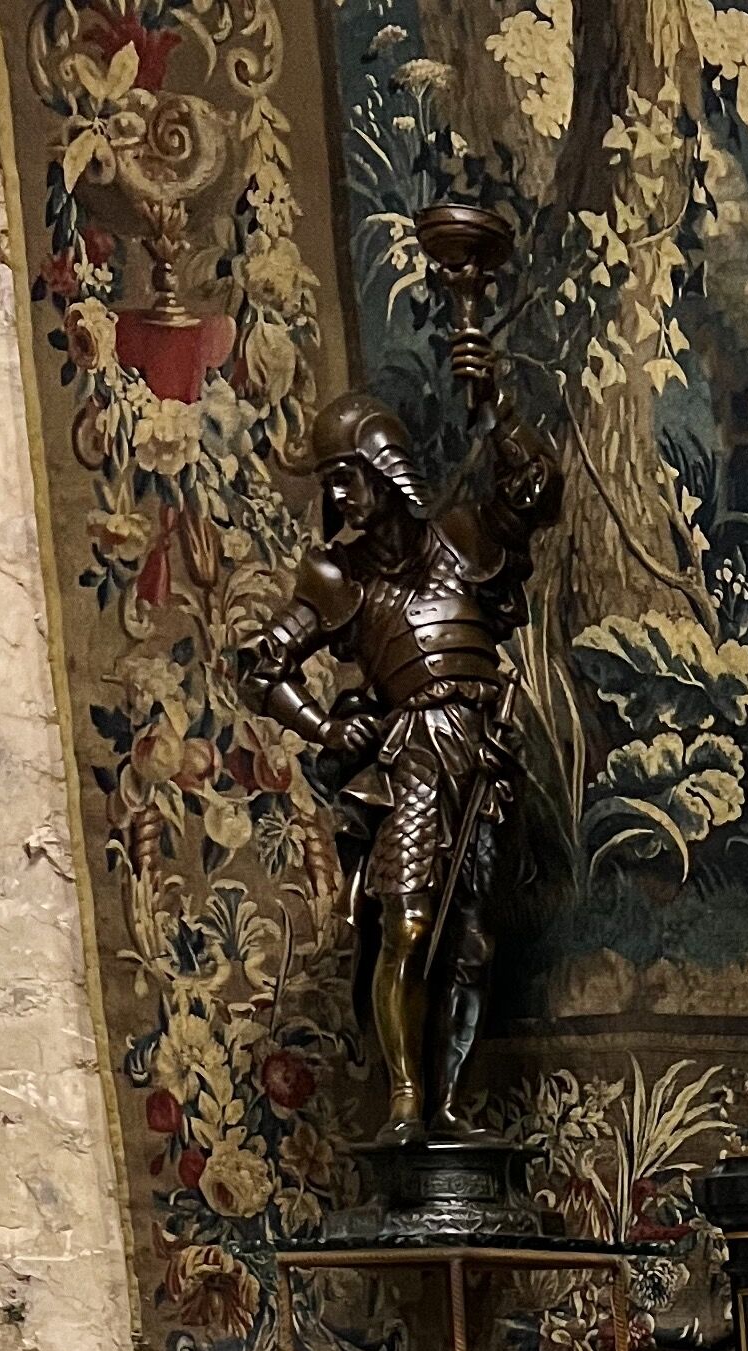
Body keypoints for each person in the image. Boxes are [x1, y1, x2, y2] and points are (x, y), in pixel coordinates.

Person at [238, 388, 561, 1142]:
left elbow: (538, 486)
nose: (340, 496)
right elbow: (262, 667)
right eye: (332, 483)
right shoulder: (336, 576)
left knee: (472, 940)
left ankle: (445, 1107)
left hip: (485, 758)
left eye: (347, 477)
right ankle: (406, 1101)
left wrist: (500, 406)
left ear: (386, 472)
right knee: (409, 925)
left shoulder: (463, 539)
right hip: (412, 754)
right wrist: (323, 727)